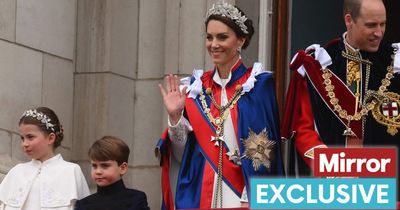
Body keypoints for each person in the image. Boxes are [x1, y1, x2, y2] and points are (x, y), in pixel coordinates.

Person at [156, 2, 284, 209]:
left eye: (222, 37)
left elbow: (263, 147)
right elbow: (182, 155)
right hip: (199, 195)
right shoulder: (196, 89)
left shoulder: (258, 85)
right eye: (209, 37)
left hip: (241, 195)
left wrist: (250, 195)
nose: (213, 44)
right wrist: (175, 117)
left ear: (240, 40)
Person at [281, 0, 400, 175]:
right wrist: (333, 169)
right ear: (349, 20)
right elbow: (304, 130)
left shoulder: (395, 64)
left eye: (383, 24)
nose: (379, 32)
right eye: (371, 25)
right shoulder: (320, 65)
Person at [0, 107, 90, 210]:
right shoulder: (16, 172)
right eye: (22, 138)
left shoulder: (71, 171)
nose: (24, 144)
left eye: (30, 137)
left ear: (50, 138)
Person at [74, 135, 149, 210]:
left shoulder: (136, 199)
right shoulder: (83, 205)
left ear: (122, 168)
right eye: (94, 166)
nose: (98, 171)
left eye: (105, 166)